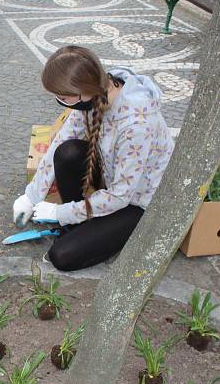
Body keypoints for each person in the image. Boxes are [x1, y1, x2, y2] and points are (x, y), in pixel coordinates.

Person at [13, 45, 174, 271]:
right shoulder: (98, 91)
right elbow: (61, 141)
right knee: (67, 152)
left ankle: (99, 230)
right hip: (114, 178)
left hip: (140, 202)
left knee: (62, 256)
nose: (60, 102)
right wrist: (31, 196)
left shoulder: (136, 125)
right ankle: (84, 225)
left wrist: (61, 212)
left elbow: (120, 197)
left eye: (62, 97)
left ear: (84, 91)